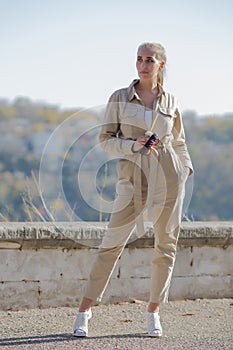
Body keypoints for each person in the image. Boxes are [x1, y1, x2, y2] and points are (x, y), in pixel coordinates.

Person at [73, 42, 193, 337]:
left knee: (165, 245)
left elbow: (179, 141)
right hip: (132, 178)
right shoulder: (120, 97)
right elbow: (105, 139)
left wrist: (185, 169)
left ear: (161, 65)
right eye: (139, 59)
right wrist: (131, 145)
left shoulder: (170, 101)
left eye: (149, 60)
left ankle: (153, 311)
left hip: (169, 179)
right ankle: (84, 310)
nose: (143, 64)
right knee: (111, 244)